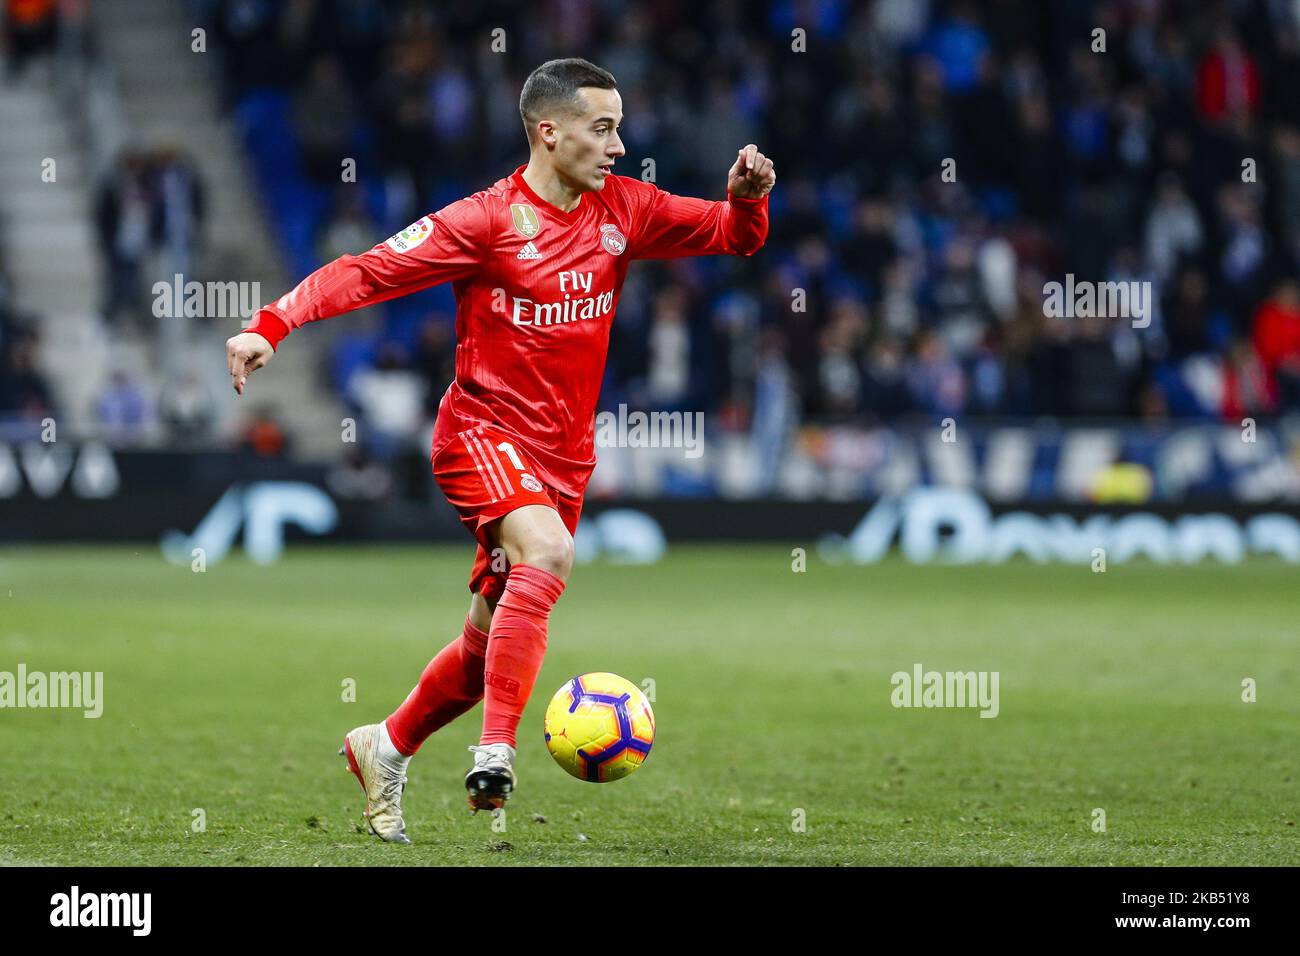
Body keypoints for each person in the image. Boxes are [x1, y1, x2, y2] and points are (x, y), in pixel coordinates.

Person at [224, 58, 774, 843]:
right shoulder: (484, 222)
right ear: (549, 134)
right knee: (546, 555)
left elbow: (732, 238)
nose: (618, 147)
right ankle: (496, 752)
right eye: (603, 128)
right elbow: (368, 271)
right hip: (480, 433)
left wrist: (748, 199)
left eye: (619, 127)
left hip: (563, 459)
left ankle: (385, 745)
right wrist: (270, 325)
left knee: (489, 643)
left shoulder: (627, 209)